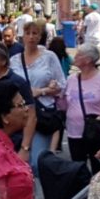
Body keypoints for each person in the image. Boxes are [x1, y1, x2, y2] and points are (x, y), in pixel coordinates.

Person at [15, 21, 66, 168]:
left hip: (41, 113)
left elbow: (62, 84)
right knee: (19, 162)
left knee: (37, 162)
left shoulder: (49, 57)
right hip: (19, 115)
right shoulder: (14, 60)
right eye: (27, 33)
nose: (31, 37)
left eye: (34, 33)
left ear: (40, 37)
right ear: (22, 36)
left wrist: (43, 91)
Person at [58, 44, 100, 162]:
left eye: (79, 55)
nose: (74, 57)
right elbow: (64, 105)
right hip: (74, 131)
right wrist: (58, 95)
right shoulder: (71, 79)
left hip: (95, 131)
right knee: (78, 168)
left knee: (98, 166)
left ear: (88, 60)